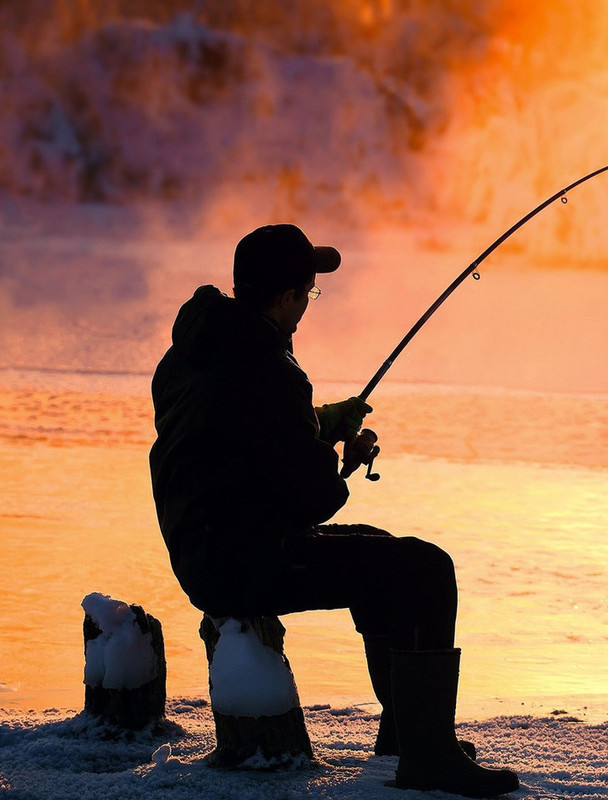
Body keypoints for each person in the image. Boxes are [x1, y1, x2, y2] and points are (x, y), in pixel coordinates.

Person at [149, 223, 519, 797]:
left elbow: (239, 437)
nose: (307, 306)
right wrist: (341, 452)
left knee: (380, 550)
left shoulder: (194, 352)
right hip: (242, 560)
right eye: (308, 292)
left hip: (204, 545)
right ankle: (425, 755)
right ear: (284, 296)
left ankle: (407, 737)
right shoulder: (268, 370)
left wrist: (318, 423)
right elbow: (316, 498)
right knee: (425, 570)